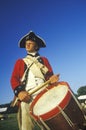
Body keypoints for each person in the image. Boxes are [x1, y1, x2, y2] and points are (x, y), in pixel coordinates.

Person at [10, 31, 59, 130]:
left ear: (36, 46)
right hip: (27, 95)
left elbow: (49, 76)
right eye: (26, 43)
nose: (27, 44)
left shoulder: (44, 60)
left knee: (49, 125)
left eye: (30, 43)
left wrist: (53, 79)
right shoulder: (20, 61)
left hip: (44, 94)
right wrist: (20, 93)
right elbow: (14, 79)